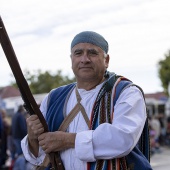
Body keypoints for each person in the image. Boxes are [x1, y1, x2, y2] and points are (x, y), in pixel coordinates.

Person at [21, 31, 152, 170]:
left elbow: (122, 139)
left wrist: (67, 140)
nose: (85, 59)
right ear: (71, 59)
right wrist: (33, 138)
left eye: (92, 53)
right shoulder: (53, 97)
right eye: (78, 53)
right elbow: (39, 157)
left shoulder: (125, 92)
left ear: (106, 60)